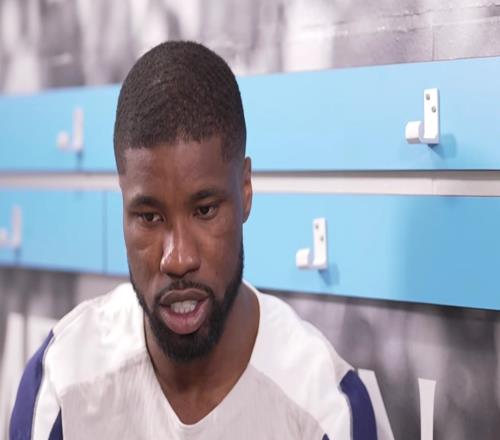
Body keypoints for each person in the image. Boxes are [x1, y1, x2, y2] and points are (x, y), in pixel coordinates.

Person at [9, 41, 377, 439]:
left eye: (204, 210)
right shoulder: (63, 386)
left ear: (245, 190)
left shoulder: (324, 408)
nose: (178, 258)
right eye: (149, 217)